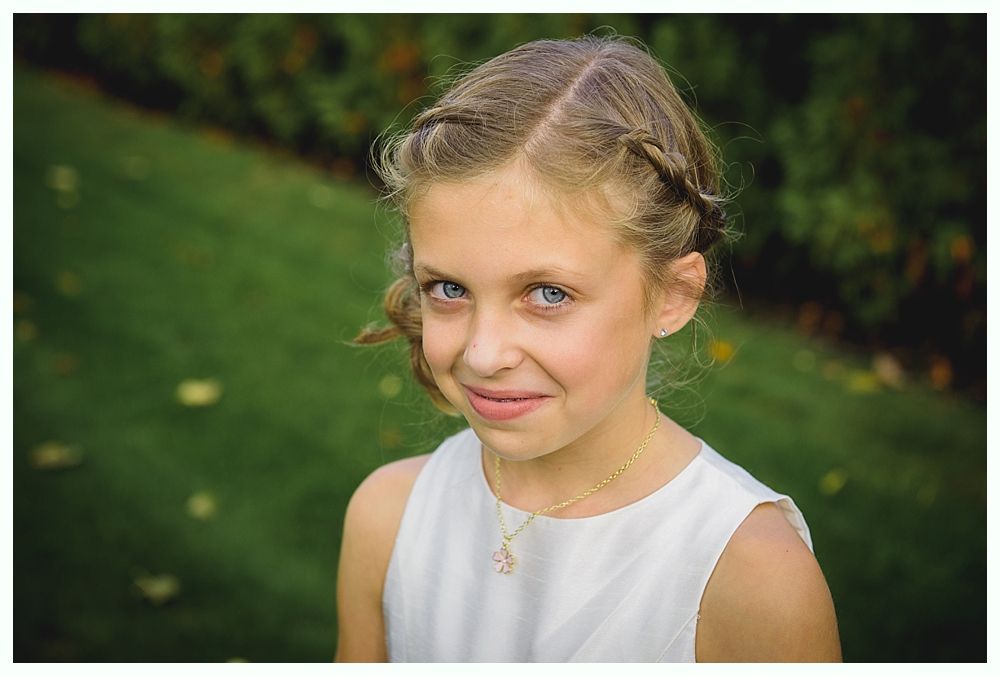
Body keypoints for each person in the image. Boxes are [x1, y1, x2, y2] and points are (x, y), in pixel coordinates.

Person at [336, 35, 841, 663]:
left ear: (672, 295)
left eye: (548, 293)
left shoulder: (749, 580)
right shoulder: (388, 517)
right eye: (449, 288)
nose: (484, 353)